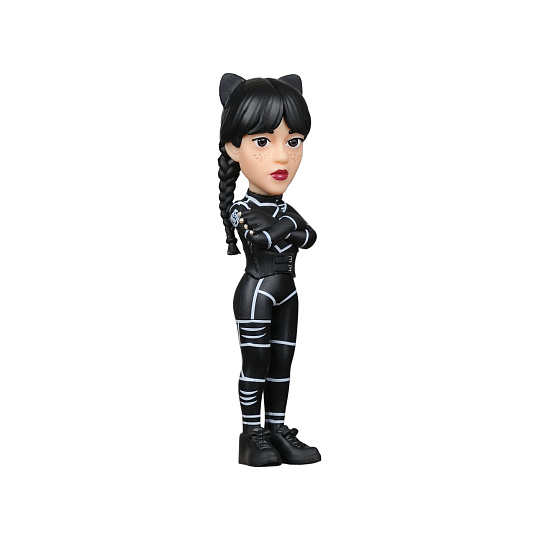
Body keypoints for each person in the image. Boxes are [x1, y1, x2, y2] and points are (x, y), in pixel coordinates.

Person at [218, 73, 321, 466]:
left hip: (286, 292)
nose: (282, 157)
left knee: (282, 363)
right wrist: (289, 227)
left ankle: (276, 428)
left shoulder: (281, 209)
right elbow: (263, 239)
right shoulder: (241, 208)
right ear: (234, 147)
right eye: (263, 141)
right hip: (257, 293)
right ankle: (252, 434)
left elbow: (309, 236)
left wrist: (287, 227)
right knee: (256, 364)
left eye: (293, 141)